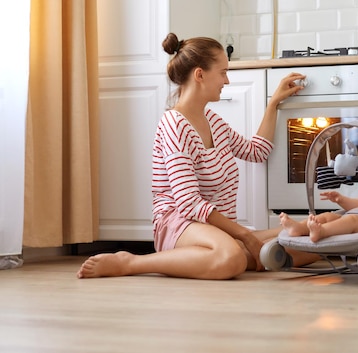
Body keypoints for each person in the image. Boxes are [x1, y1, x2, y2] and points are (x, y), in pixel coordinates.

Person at [77, 33, 318, 280]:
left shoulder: (213, 121)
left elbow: (256, 151)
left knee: (310, 243)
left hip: (217, 231)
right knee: (232, 257)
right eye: (223, 72)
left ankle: (230, 253)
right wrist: (244, 235)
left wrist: (273, 103)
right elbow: (188, 203)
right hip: (180, 225)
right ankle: (131, 262)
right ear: (200, 74)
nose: (227, 79)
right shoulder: (174, 124)